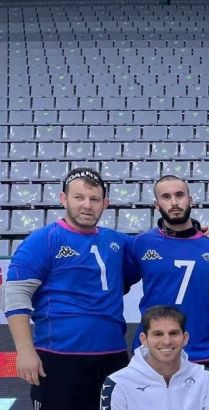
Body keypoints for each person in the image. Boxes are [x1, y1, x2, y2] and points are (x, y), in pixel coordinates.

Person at [2, 167, 130, 410]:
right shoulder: (43, 240)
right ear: (64, 199)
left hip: (113, 357)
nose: (87, 205)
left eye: (94, 199)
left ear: (105, 203)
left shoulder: (118, 241)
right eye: (79, 197)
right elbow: (15, 295)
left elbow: (155, 252)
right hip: (59, 358)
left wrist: (200, 231)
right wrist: (25, 351)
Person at [125, 175, 209, 383]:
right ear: (156, 204)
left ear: (190, 200)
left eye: (179, 195)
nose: (174, 202)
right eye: (166, 197)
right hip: (152, 353)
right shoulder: (140, 244)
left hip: (202, 351)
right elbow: (118, 283)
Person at [101, 305, 209, 409]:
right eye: (158, 334)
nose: (167, 341)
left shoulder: (204, 377)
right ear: (144, 339)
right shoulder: (118, 383)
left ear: (185, 338)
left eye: (173, 333)